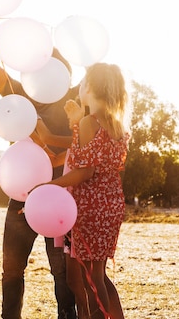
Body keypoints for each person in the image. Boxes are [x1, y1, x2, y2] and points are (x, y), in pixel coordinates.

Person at [0, 34, 78, 319]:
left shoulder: (74, 104)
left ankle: (67, 315)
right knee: (11, 268)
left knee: (61, 270)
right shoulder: (21, 97)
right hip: (20, 196)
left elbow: (86, 144)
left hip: (56, 199)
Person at [44, 62, 129, 319]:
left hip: (90, 205)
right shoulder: (116, 123)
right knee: (97, 274)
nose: (80, 87)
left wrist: (47, 186)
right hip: (111, 202)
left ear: (91, 87)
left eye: (83, 83)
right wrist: (74, 121)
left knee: (90, 278)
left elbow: (84, 171)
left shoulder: (90, 122)